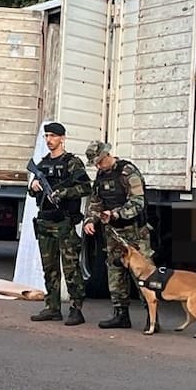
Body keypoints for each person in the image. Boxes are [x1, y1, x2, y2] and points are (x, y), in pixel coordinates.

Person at [82, 140, 154, 330]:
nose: (98, 166)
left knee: (143, 274)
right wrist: (90, 220)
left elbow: (138, 203)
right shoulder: (101, 176)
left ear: (107, 155)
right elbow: (95, 202)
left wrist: (115, 214)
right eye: (96, 164)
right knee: (115, 273)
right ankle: (120, 314)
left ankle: (152, 317)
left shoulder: (128, 172)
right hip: (113, 234)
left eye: (100, 161)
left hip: (135, 232)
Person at [28, 122, 93, 326]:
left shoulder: (72, 163)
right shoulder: (43, 163)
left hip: (64, 223)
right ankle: (52, 307)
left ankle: (76, 309)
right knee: (50, 269)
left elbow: (85, 188)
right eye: (47, 136)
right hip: (45, 222)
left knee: (71, 269)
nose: (49, 140)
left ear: (62, 138)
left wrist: (63, 193)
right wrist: (34, 186)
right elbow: (32, 191)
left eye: (53, 136)